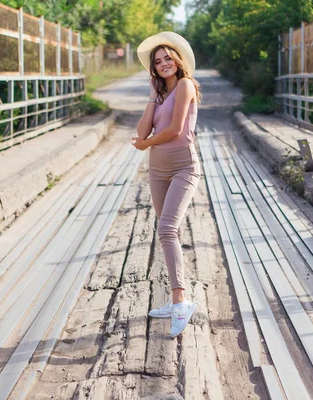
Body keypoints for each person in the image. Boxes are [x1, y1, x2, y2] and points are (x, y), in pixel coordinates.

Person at [131, 32, 202, 338]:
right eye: (157, 61)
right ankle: (176, 299)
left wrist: (145, 144)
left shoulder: (186, 86)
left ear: (178, 59)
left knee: (166, 229)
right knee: (168, 229)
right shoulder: (159, 94)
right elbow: (142, 128)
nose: (163, 64)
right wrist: (151, 95)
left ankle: (180, 301)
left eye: (167, 58)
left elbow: (174, 129)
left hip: (184, 165)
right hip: (157, 168)